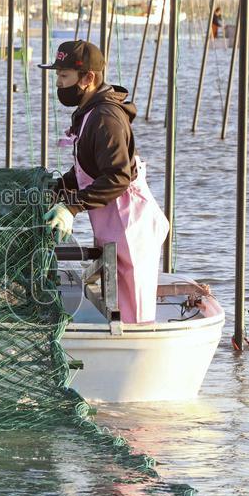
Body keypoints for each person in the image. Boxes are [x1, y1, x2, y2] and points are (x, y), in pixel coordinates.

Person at [40, 40, 169, 324]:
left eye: (64, 76)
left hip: (131, 226)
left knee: (134, 311)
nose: (58, 83)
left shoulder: (106, 118)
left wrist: (71, 207)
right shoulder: (88, 113)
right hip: (113, 224)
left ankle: (136, 348)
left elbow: (117, 177)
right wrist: (56, 191)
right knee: (118, 297)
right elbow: (87, 170)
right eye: (57, 75)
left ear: (88, 78)